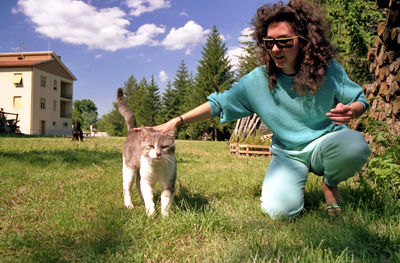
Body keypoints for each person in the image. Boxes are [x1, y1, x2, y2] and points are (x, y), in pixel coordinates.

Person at [150, 0, 371, 219]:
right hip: (288, 155)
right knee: (279, 212)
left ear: (304, 41)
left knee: (355, 146)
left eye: (284, 42)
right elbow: (219, 103)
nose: (275, 49)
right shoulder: (257, 80)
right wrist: (177, 120)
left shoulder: (328, 68)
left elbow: (359, 98)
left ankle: (330, 184)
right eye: (269, 42)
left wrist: (352, 110)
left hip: (326, 142)